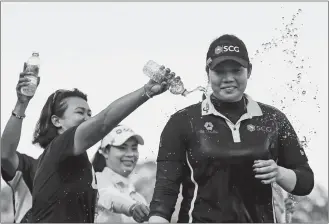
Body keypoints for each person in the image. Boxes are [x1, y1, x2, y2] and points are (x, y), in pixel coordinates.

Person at [148, 34, 314, 223]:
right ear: (208, 72)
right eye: (219, 72)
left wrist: (279, 173)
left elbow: (305, 182)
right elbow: (165, 194)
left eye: (236, 70)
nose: (228, 78)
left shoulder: (273, 119)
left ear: (249, 71)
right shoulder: (183, 121)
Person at [1, 68, 41, 223]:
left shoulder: (87, 176)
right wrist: (21, 104)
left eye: (89, 114)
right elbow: (4, 155)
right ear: (56, 122)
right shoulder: (32, 168)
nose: (85, 119)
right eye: (80, 113)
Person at [92, 125, 149, 223]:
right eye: (122, 148)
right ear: (105, 151)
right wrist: (131, 208)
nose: (131, 154)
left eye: (134, 148)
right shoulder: (96, 180)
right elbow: (108, 196)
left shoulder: (138, 197)